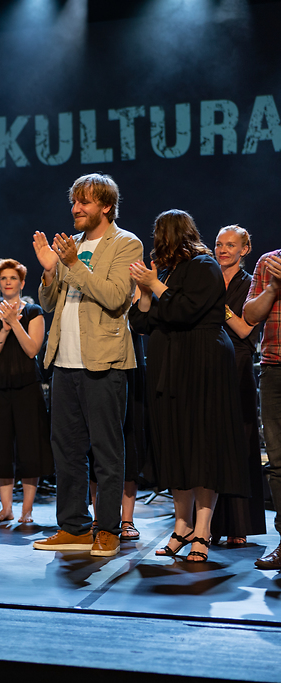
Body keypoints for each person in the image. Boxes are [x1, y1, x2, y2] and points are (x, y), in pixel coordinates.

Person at [32, 173, 142, 558]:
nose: (76, 208)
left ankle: (108, 528)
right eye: (74, 202)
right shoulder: (72, 245)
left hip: (104, 362)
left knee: (106, 451)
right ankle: (73, 526)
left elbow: (115, 297)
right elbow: (49, 303)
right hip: (64, 362)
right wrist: (49, 270)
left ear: (106, 206)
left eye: (85, 202)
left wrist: (72, 264)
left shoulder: (126, 243)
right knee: (66, 450)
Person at [128, 210, 247, 562]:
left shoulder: (204, 265)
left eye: (160, 233)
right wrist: (144, 290)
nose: (157, 240)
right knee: (176, 445)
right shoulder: (166, 273)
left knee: (202, 446)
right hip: (170, 367)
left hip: (202, 363)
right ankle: (182, 527)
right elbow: (142, 322)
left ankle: (203, 530)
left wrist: (155, 285)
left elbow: (186, 310)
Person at [0, 259, 52, 523]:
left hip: (27, 386)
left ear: (22, 283)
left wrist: (15, 323)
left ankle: (27, 510)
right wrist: (5, 329)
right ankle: (6, 508)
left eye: (13, 278)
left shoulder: (34, 312)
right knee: (0, 449)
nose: (8, 282)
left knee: (30, 448)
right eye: (4, 279)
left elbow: (32, 350)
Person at [210, 225, 265, 547]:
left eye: (231, 245)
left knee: (241, 442)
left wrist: (220, 308)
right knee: (211, 443)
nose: (223, 250)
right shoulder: (208, 278)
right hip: (209, 360)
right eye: (219, 244)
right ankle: (208, 523)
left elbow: (246, 331)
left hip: (239, 362)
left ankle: (240, 523)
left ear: (245, 249)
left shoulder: (252, 284)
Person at [244, 246, 281, 569]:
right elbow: (251, 316)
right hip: (274, 368)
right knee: (278, 463)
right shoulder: (269, 262)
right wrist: (272, 288)